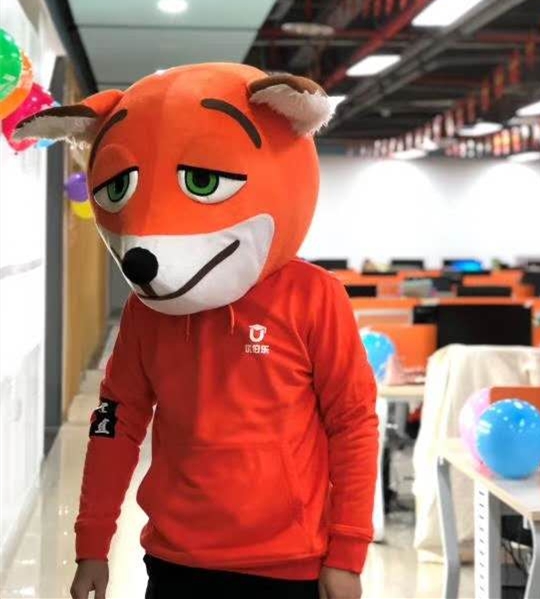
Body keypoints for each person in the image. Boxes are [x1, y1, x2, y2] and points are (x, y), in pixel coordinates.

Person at [16, 63, 379, 599]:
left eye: (202, 181)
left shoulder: (314, 296)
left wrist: (347, 552)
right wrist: (92, 542)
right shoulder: (147, 311)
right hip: (175, 559)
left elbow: (353, 423)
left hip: (291, 562)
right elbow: (117, 422)